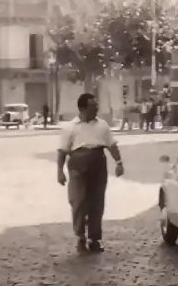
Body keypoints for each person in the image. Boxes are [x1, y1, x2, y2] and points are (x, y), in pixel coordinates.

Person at [57, 93, 125, 254]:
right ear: (82, 108)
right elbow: (62, 152)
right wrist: (59, 171)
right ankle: (80, 237)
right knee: (78, 202)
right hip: (77, 164)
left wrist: (119, 163)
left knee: (97, 202)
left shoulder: (102, 125)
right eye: (92, 106)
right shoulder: (70, 127)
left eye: (96, 105)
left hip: (98, 164)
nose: (96, 108)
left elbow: (111, 145)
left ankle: (94, 239)